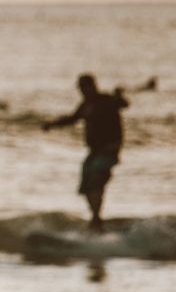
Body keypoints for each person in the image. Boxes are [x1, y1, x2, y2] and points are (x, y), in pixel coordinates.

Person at [43, 74, 129, 232]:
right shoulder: (86, 105)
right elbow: (72, 119)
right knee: (87, 187)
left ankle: (96, 220)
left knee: (96, 180)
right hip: (94, 152)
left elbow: (123, 103)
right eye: (80, 88)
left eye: (84, 87)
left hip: (108, 151)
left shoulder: (106, 100)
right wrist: (52, 124)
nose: (82, 91)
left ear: (92, 86)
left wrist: (119, 95)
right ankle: (96, 219)